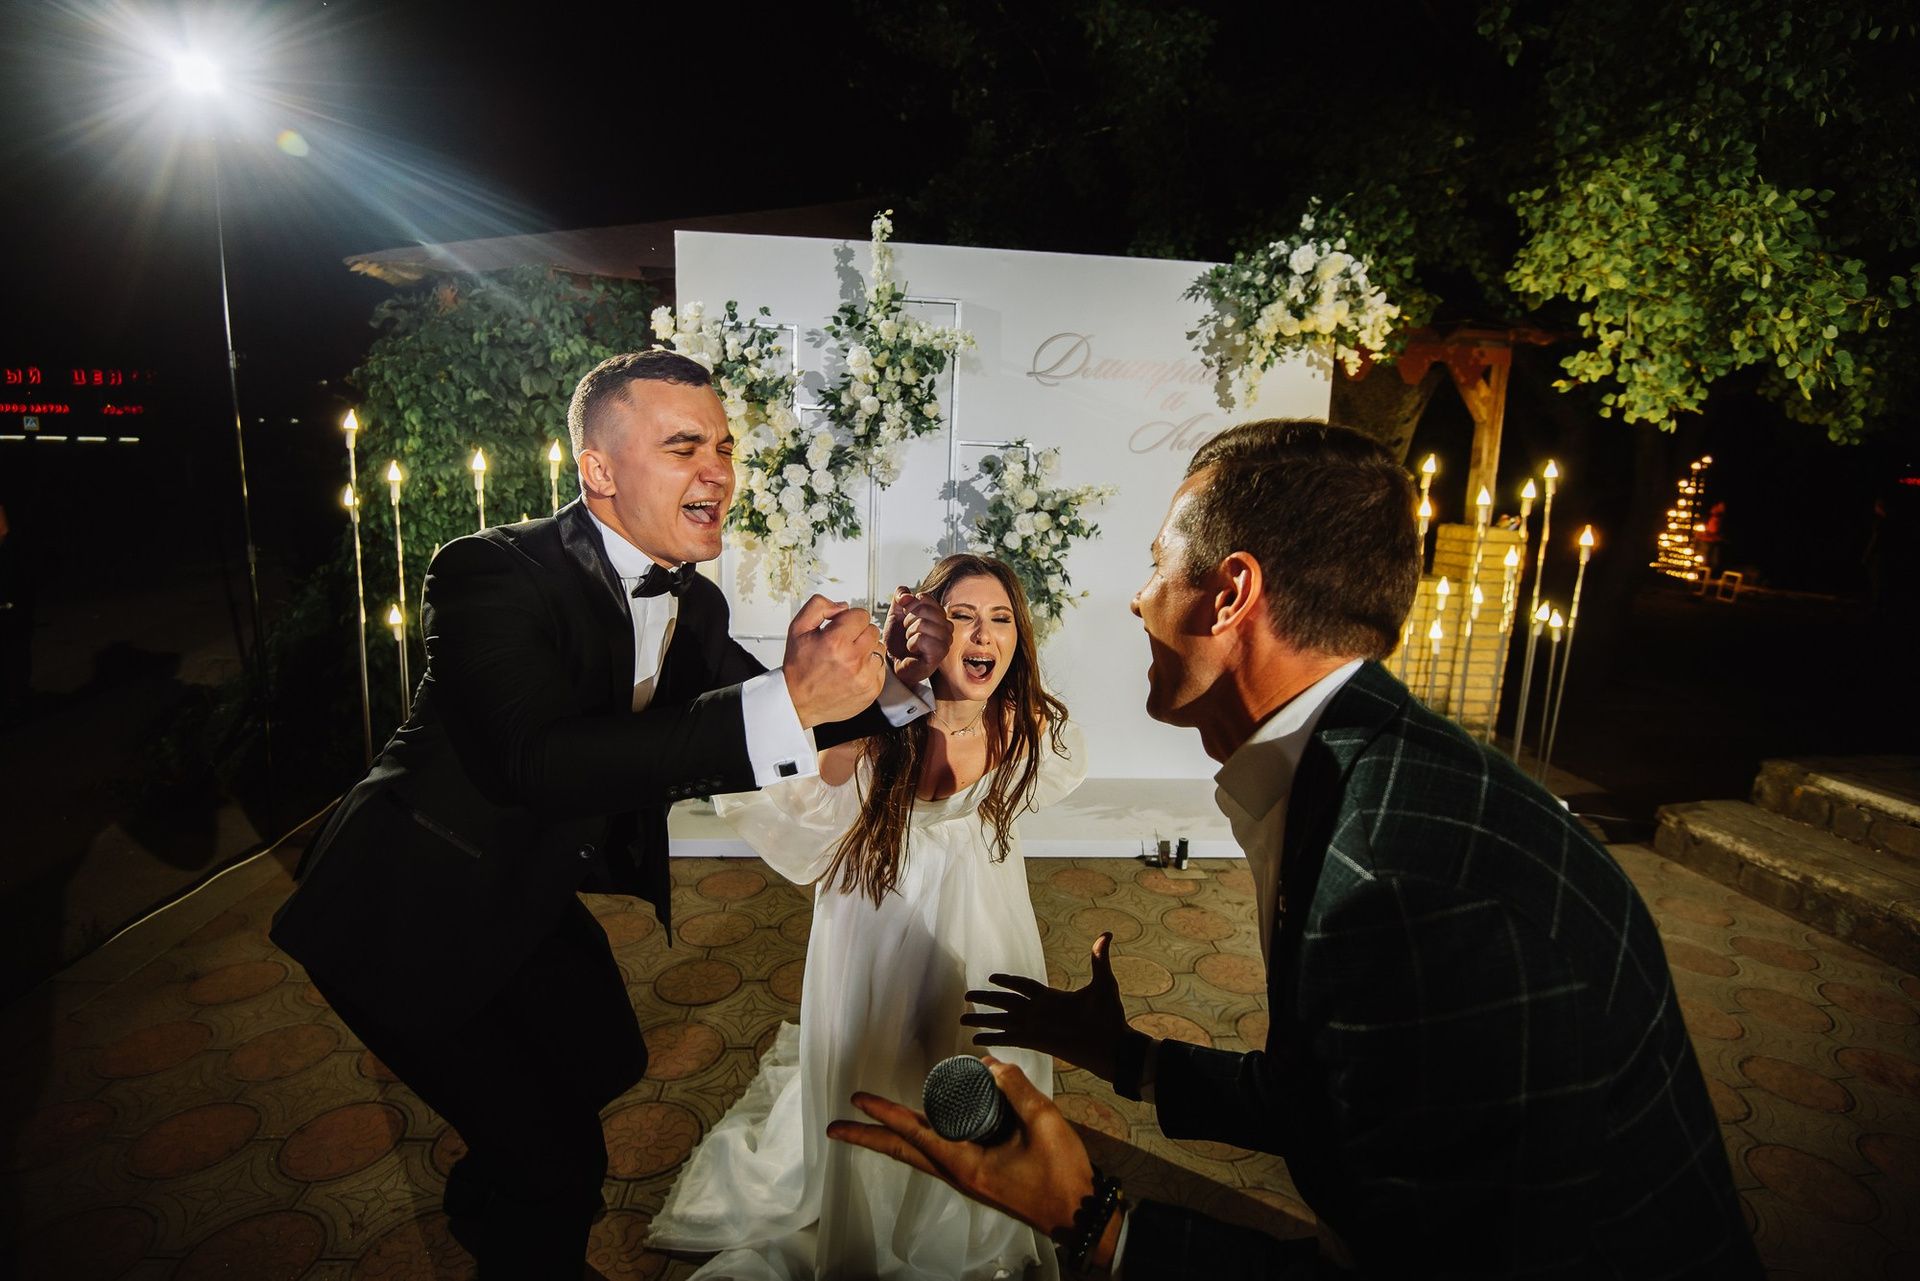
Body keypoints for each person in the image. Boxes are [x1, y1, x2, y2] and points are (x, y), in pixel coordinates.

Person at [832, 420, 1760, 1278]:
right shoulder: (1353, 771)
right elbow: (1344, 1097)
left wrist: (1097, 1221)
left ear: (1232, 593)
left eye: (1158, 566)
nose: (1138, 599)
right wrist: (1125, 1055)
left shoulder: (1401, 886)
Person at [269, 350, 954, 1277]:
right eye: (683, 446)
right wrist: (791, 696)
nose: (718, 469)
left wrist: (902, 683)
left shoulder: (694, 603)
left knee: (607, 1059)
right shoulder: (489, 571)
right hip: (402, 907)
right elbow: (538, 761)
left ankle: (484, 1205)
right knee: (559, 1163)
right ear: (598, 469)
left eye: (724, 445)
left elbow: (782, 724)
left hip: (527, 889)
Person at [648, 554, 1086, 1280]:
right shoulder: (880, 717)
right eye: (964, 616)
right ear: (929, 627)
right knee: (879, 1059)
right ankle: (871, 1211)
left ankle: (974, 1207)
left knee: (978, 1059)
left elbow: (1039, 774)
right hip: (877, 912)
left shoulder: (1024, 723)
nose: (985, 634)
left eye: (1002, 618)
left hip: (985, 907)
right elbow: (814, 807)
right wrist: (890, 687)